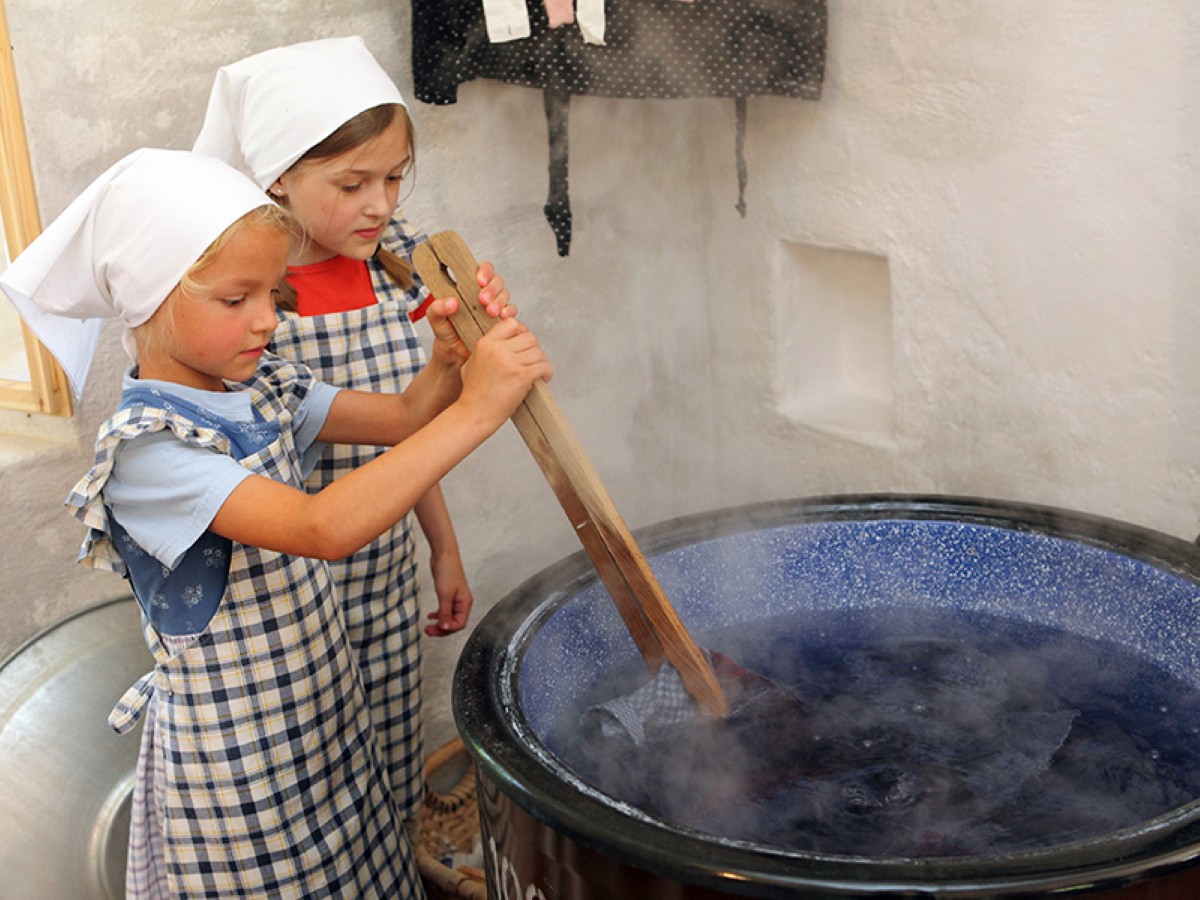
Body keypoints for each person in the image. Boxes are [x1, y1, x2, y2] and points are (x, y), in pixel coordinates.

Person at [0, 148, 551, 898]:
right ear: (151, 302)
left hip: (320, 716)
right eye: (236, 300)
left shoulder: (260, 384)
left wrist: (451, 363)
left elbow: (401, 417)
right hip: (242, 767)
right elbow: (322, 526)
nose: (266, 319)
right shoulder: (150, 450)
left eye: (274, 293)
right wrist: (483, 408)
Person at [192, 36, 493, 827]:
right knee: (312, 792)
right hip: (285, 591)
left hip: (385, 574)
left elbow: (404, 427)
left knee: (390, 771)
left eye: (395, 177)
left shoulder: (394, 262)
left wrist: (444, 544)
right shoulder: (247, 305)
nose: (381, 203)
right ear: (278, 178)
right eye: (352, 182)